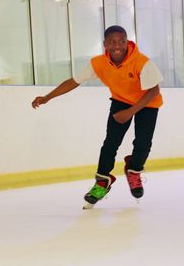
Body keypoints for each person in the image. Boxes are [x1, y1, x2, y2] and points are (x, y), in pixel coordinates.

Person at [31, 25, 163, 206]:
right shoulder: (98, 63)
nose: (118, 46)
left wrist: (131, 112)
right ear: (105, 44)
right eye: (112, 42)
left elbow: (154, 90)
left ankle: (133, 170)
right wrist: (47, 97)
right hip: (121, 101)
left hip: (148, 102)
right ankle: (102, 182)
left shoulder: (142, 61)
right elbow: (73, 81)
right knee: (110, 143)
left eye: (122, 41)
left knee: (143, 143)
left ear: (127, 42)